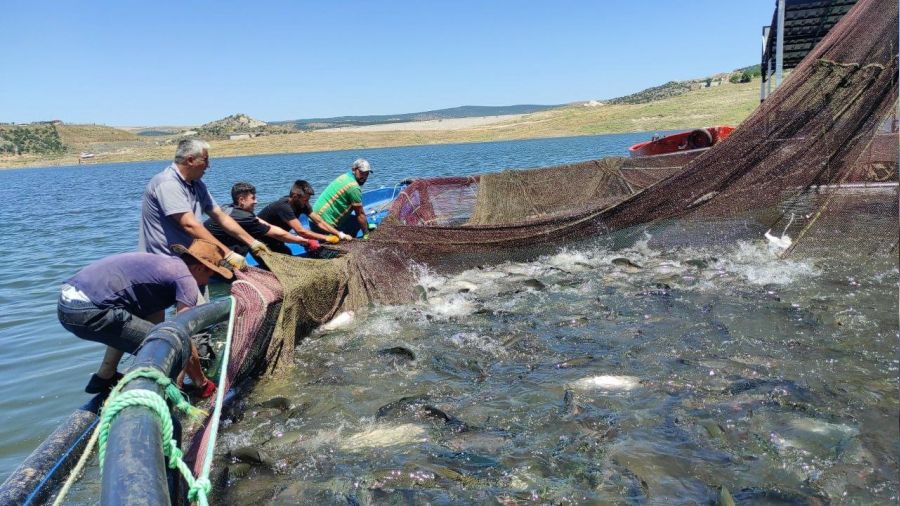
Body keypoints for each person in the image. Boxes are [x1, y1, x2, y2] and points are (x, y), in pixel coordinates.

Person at [57, 239, 231, 397]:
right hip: (88, 310)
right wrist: (202, 383)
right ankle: (168, 397)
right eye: (209, 275)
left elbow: (153, 318)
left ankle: (104, 377)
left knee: (135, 326)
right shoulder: (186, 279)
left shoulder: (166, 266)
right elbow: (181, 336)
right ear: (199, 268)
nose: (206, 282)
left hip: (67, 302)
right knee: (171, 345)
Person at [138, 139, 270, 267]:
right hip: (165, 262)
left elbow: (220, 216)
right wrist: (227, 254)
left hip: (191, 259)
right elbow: (189, 225)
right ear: (190, 160)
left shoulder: (196, 184)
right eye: (205, 159)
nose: (208, 165)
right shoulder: (168, 183)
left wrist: (252, 242)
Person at [204, 181, 322, 258]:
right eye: (253, 198)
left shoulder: (228, 208)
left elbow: (266, 224)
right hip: (207, 255)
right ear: (241, 200)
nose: (256, 201)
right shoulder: (244, 217)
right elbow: (277, 233)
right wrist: (306, 241)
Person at [257, 179, 344, 254]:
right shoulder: (283, 207)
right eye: (305, 200)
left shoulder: (302, 204)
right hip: (260, 239)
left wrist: (338, 233)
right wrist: (327, 238)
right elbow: (301, 231)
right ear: (295, 196)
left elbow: (319, 222)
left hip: (277, 238)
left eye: (308, 200)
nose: (307, 203)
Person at [312, 158, 374, 239]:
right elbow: (360, 214)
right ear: (353, 169)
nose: (364, 177)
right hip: (321, 225)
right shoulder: (354, 188)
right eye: (362, 173)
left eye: (367, 173)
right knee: (358, 223)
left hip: (312, 219)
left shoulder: (345, 177)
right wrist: (366, 234)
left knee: (357, 221)